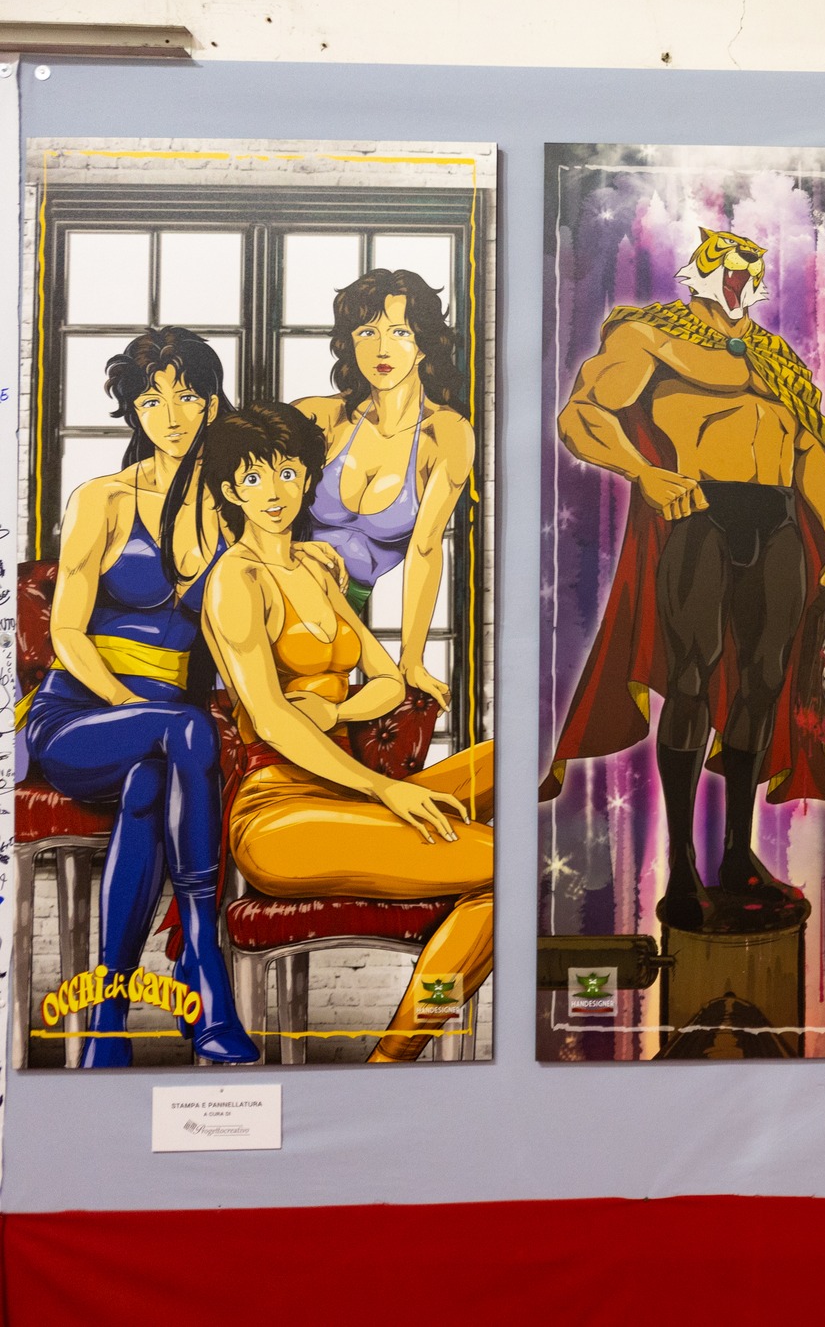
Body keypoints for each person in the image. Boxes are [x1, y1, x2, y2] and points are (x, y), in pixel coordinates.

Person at [544, 226, 825, 933]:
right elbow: (580, 415)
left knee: (765, 683)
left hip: (781, 524)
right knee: (692, 681)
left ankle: (735, 855)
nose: (740, 274)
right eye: (726, 262)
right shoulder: (649, 339)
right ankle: (681, 870)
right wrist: (642, 471)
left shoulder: (774, 357)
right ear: (698, 269)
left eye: (750, 266)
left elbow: (811, 453)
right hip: (701, 517)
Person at [201, 400, 493, 1063]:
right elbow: (271, 717)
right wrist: (385, 788)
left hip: (345, 792)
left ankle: (412, 1024)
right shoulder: (235, 581)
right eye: (253, 477)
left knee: (506, 760)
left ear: (308, 476)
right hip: (279, 815)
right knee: (504, 865)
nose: (273, 491)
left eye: (287, 472)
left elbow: (387, 680)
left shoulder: (317, 567)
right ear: (230, 491)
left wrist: (335, 714)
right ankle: (394, 1057)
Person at [18, 329, 259, 1066]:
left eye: (187, 394)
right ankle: (205, 966)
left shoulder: (236, 507)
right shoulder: (104, 499)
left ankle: (107, 1022)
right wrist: (129, 706)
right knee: (179, 733)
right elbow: (66, 632)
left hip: (165, 736)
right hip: (79, 715)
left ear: (212, 402)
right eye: (152, 399)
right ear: (133, 410)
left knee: (152, 782)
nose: (171, 413)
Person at [291, 268, 474, 710]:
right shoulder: (319, 417)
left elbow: (425, 549)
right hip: (275, 581)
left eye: (399, 332)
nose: (382, 349)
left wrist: (412, 659)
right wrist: (292, 549)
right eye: (367, 332)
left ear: (423, 343)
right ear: (349, 343)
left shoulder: (446, 433)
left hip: (338, 611)